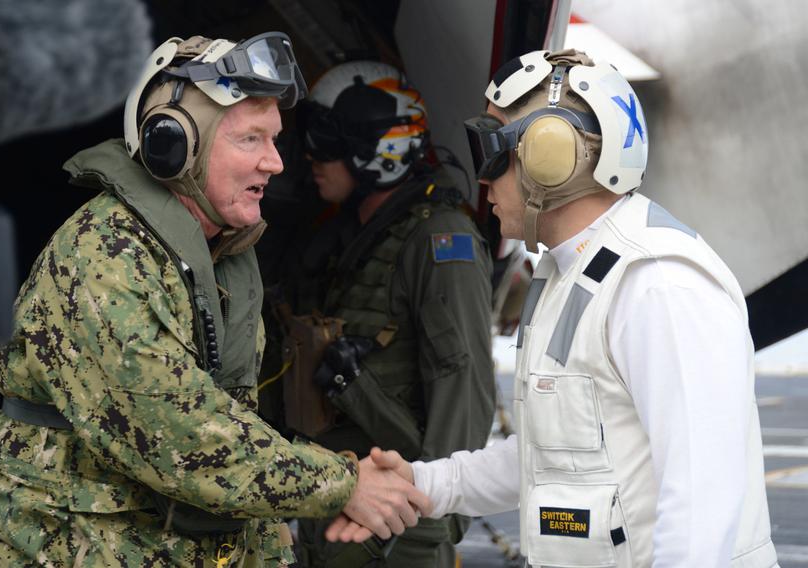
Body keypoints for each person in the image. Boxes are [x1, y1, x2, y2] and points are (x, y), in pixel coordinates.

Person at [0, 35, 429, 568]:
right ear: (174, 145)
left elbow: (232, 419)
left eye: (274, 140)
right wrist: (345, 487)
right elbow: (178, 437)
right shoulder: (105, 256)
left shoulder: (218, 254)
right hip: (66, 543)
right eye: (251, 139)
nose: (275, 163)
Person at [329, 49, 778, 567]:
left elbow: (703, 504)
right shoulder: (570, 275)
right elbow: (555, 456)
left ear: (552, 158)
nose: (482, 178)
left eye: (494, 150)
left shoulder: (658, 285)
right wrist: (425, 480)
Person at [275, 61, 495, 567]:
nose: (312, 155)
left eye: (328, 140)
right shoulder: (347, 239)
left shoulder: (442, 241)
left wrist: (420, 539)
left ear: (375, 149)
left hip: (392, 538)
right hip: (337, 521)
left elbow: (464, 392)